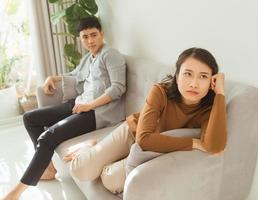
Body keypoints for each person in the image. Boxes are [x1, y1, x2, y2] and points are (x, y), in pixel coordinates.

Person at [63, 47, 227, 194]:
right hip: (133, 132)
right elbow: (144, 138)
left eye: (203, 77)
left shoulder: (210, 108)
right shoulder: (160, 92)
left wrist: (219, 94)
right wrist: (192, 143)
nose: (194, 83)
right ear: (177, 77)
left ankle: (104, 154)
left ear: (211, 82)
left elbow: (215, 145)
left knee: (111, 181)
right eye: (188, 74)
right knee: (81, 170)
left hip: (148, 151)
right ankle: (92, 146)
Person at [2, 16, 126, 200]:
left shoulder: (110, 54)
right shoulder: (89, 57)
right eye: (85, 37)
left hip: (97, 112)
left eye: (93, 35)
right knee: (30, 118)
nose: (90, 40)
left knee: (48, 136)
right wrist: (53, 77)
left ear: (102, 33)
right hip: (81, 103)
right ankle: (48, 168)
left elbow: (118, 87)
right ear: (80, 39)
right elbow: (75, 74)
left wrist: (89, 105)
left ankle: (18, 191)